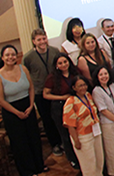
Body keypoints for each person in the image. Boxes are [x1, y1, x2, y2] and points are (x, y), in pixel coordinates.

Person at [0, 45, 46, 176]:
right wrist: (16, 112)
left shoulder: (23, 68)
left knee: (34, 138)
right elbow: (1, 100)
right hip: (11, 112)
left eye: (13, 54)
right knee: (20, 143)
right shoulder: (0, 75)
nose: (11, 57)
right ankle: (27, 171)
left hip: (28, 106)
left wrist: (31, 106)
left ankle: (39, 166)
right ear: (3, 57)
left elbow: (31, 88)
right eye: (7, 55)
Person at [23, 29, 63, 157]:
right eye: (39, 40)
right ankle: (55, 144)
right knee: (47, 119)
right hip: (40, 92)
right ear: (34, 41)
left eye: (44, 38)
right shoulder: (28, 57)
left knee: (60, 116)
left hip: (55, 90)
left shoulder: (55, 51)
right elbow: (27, 74)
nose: (42, 42)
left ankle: (64, 141)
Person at [44, 54, 82, 169]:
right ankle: (72, 159)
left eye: (65, 62)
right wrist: (62, 97)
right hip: (60, 107)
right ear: (56, 65)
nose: (63, 65)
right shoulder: (52, 77)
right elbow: (45, 95)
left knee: (78, 132)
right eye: (60, 63)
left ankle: (81, 155)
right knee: (66, 135)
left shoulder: (75, 73)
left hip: (76, 105)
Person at [63, 76, 102, 176]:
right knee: (89, 164)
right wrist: (76, 141)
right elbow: (69, 124)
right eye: (80, 86)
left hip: (95, 131)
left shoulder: (88, 96)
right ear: (74, 88)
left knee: (99, 160)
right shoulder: (70, 101)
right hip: (83, 136)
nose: (83, 88)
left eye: (84, 85)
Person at [91, 66, 114, 176]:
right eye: (101, 75)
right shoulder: (96, 91)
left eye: (105, 74)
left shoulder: (112, 85)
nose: (104, 76)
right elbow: (103, 110)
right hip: (109, 123)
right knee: (112, 150)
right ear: (97, 77)